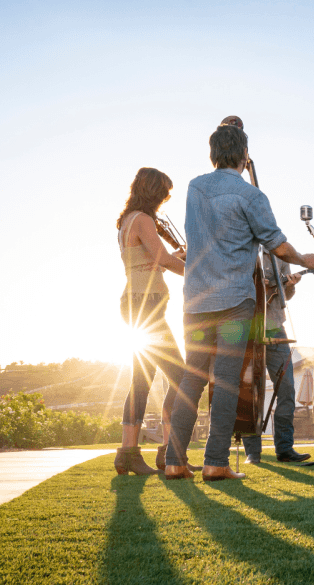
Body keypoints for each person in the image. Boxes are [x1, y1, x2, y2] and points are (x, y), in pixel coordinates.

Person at [166, 119, 314, 481]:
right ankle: (215, 462)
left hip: (194, 302)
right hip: (234, 304)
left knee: (192, 379)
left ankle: (175, 460)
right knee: (225, 381)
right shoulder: (251, 196)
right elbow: (277, 244)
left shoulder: (194, 189)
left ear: (213, 153)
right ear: (244, 155)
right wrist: (305, 261)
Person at [114, 167, 188, 476]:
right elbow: (163, 260)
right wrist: (197, 268)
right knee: (181, 376)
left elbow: (155, 259)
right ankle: (169, 453)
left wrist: (179, 256)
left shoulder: (128, 220)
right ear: (152, 192)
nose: (163, 201)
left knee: (142, 381)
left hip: (138, 302)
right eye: (163, 195)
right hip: (145, 305)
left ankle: (129, 454)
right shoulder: (143, 220)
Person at [243, 259, 309, 464]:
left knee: (287, 387)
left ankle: (285, 448)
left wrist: (290, 285)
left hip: (275, 327)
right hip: (246, 328)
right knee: (250, 390)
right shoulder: (243, 246)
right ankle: (252, 452)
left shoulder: (278, 255)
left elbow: (285, 296)